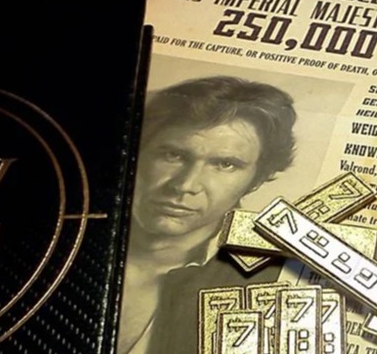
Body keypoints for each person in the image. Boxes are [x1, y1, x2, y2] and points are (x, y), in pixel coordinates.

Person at [117, 76, 297, 354]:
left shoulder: (274, 281)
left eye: (225, 164)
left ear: (257, 179)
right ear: (136, 154)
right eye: (173, 155)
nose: (185, 185)